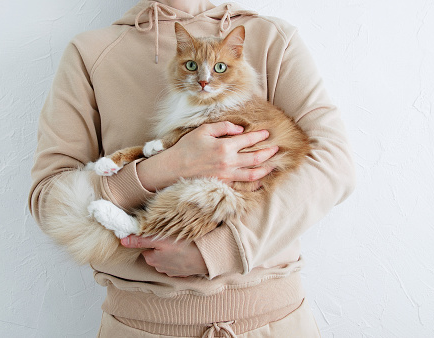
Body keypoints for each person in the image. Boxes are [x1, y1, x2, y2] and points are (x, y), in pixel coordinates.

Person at [29, 0, 355, 336]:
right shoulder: (90, 52)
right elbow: (48, 201)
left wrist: (223, 248)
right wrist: (163, 168)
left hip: (274, 321)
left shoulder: (272, 37)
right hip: (141, 325)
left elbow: (335, 164)